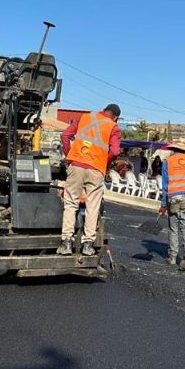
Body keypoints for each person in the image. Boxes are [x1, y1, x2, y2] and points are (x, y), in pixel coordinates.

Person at [57, 103, 122, 256]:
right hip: (96, 169)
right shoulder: (113, 127)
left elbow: (65, 135)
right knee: (92, 206)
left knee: (71, 203)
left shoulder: (85, 117)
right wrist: (104, 162)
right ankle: (88, 245)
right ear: (116, 117)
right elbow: (115, 151)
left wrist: (69, 156)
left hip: (76, 165)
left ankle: (66, 243)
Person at [159, 143, 185, 271]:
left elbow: (165, 185)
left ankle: (173, 257)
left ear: (173, 150)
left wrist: (163, 204)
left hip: (173, 198)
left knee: (173, 227)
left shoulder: (167, 161)